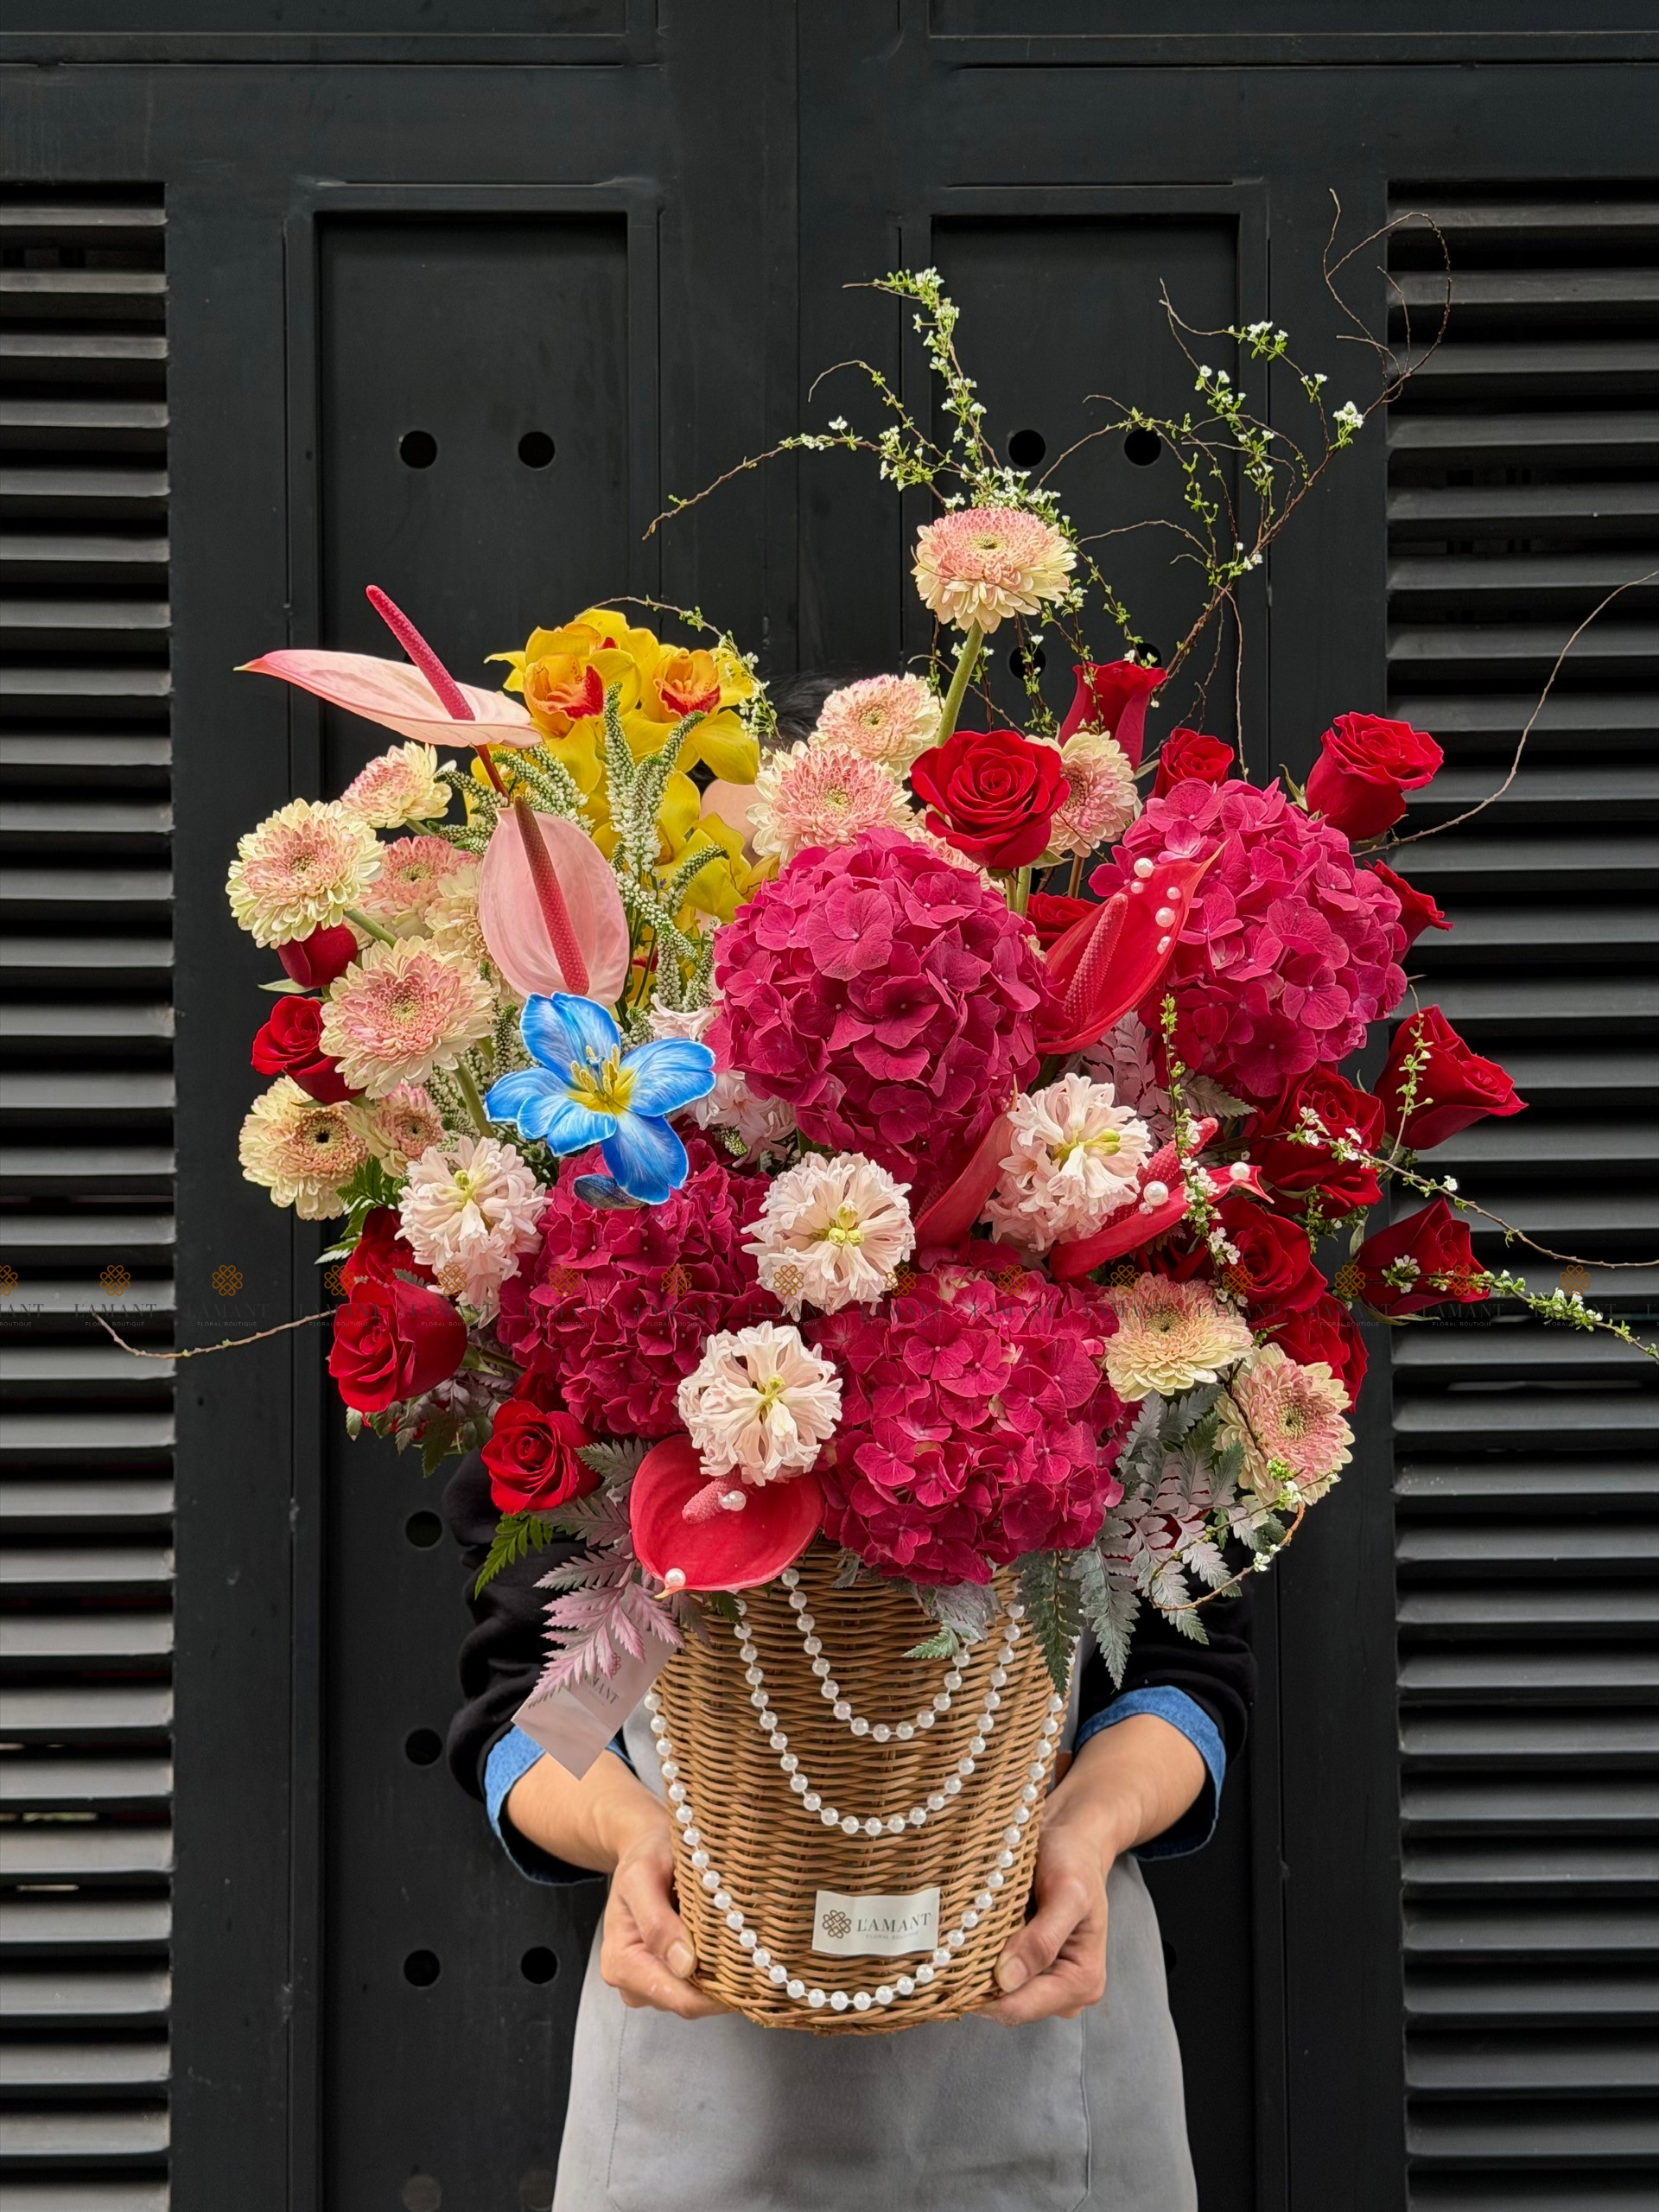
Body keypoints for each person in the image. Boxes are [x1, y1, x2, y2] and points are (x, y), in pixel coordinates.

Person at [442, 674, 1255, 2209]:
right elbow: (522, 1706)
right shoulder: (628, 1275)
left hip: (1043, 2032)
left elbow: (1188, 1667)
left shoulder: (1101, 1298)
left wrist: (1085, 1835)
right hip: (703, 2058)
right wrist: (632, 1842)